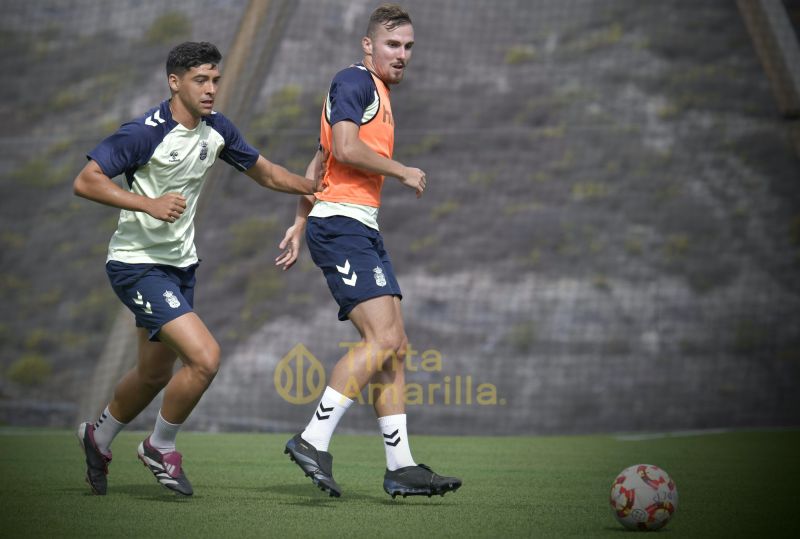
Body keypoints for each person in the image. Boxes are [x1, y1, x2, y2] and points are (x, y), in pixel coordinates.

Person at [74, 41, 321, 496]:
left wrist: (313, 186)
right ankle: (159, 446)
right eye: (200, 80)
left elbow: (265, 173)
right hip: (136, 266)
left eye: (215, 81)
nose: (210, 90)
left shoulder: (217, 129)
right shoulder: (144, 132)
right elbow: (86, 180)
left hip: (180, 268)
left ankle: (99, 436)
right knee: (205, 359)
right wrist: (147, 203)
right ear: (175, 82)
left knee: (153, 375)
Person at [276, 4, 461, 499]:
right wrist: (401, 170)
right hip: (341, 226)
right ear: (368, 45)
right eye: (393, 45)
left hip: (355, 225)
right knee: (381, 339)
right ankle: (312, 439)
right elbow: (341, 148)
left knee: (395, 343)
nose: (402, 55)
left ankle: (400, 465)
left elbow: (318, 159)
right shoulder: (354, 81)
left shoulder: (373, 91)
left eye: (408, 47)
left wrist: (297, 223)